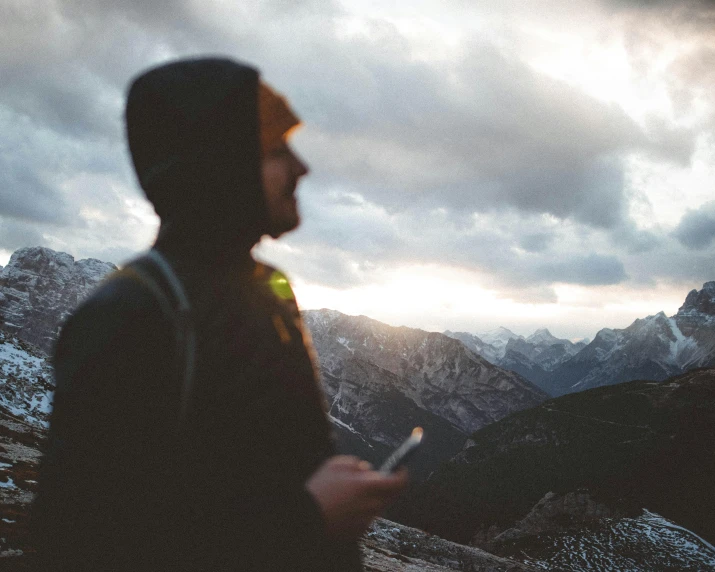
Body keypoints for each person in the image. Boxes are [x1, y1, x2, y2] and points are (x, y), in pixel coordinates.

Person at [32, 57, 407, 571]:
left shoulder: (270, 292)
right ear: (219, 164)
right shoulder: (126, 319)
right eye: (277, 149)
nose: (303, 168)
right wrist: (308, 517)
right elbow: (79, 543)